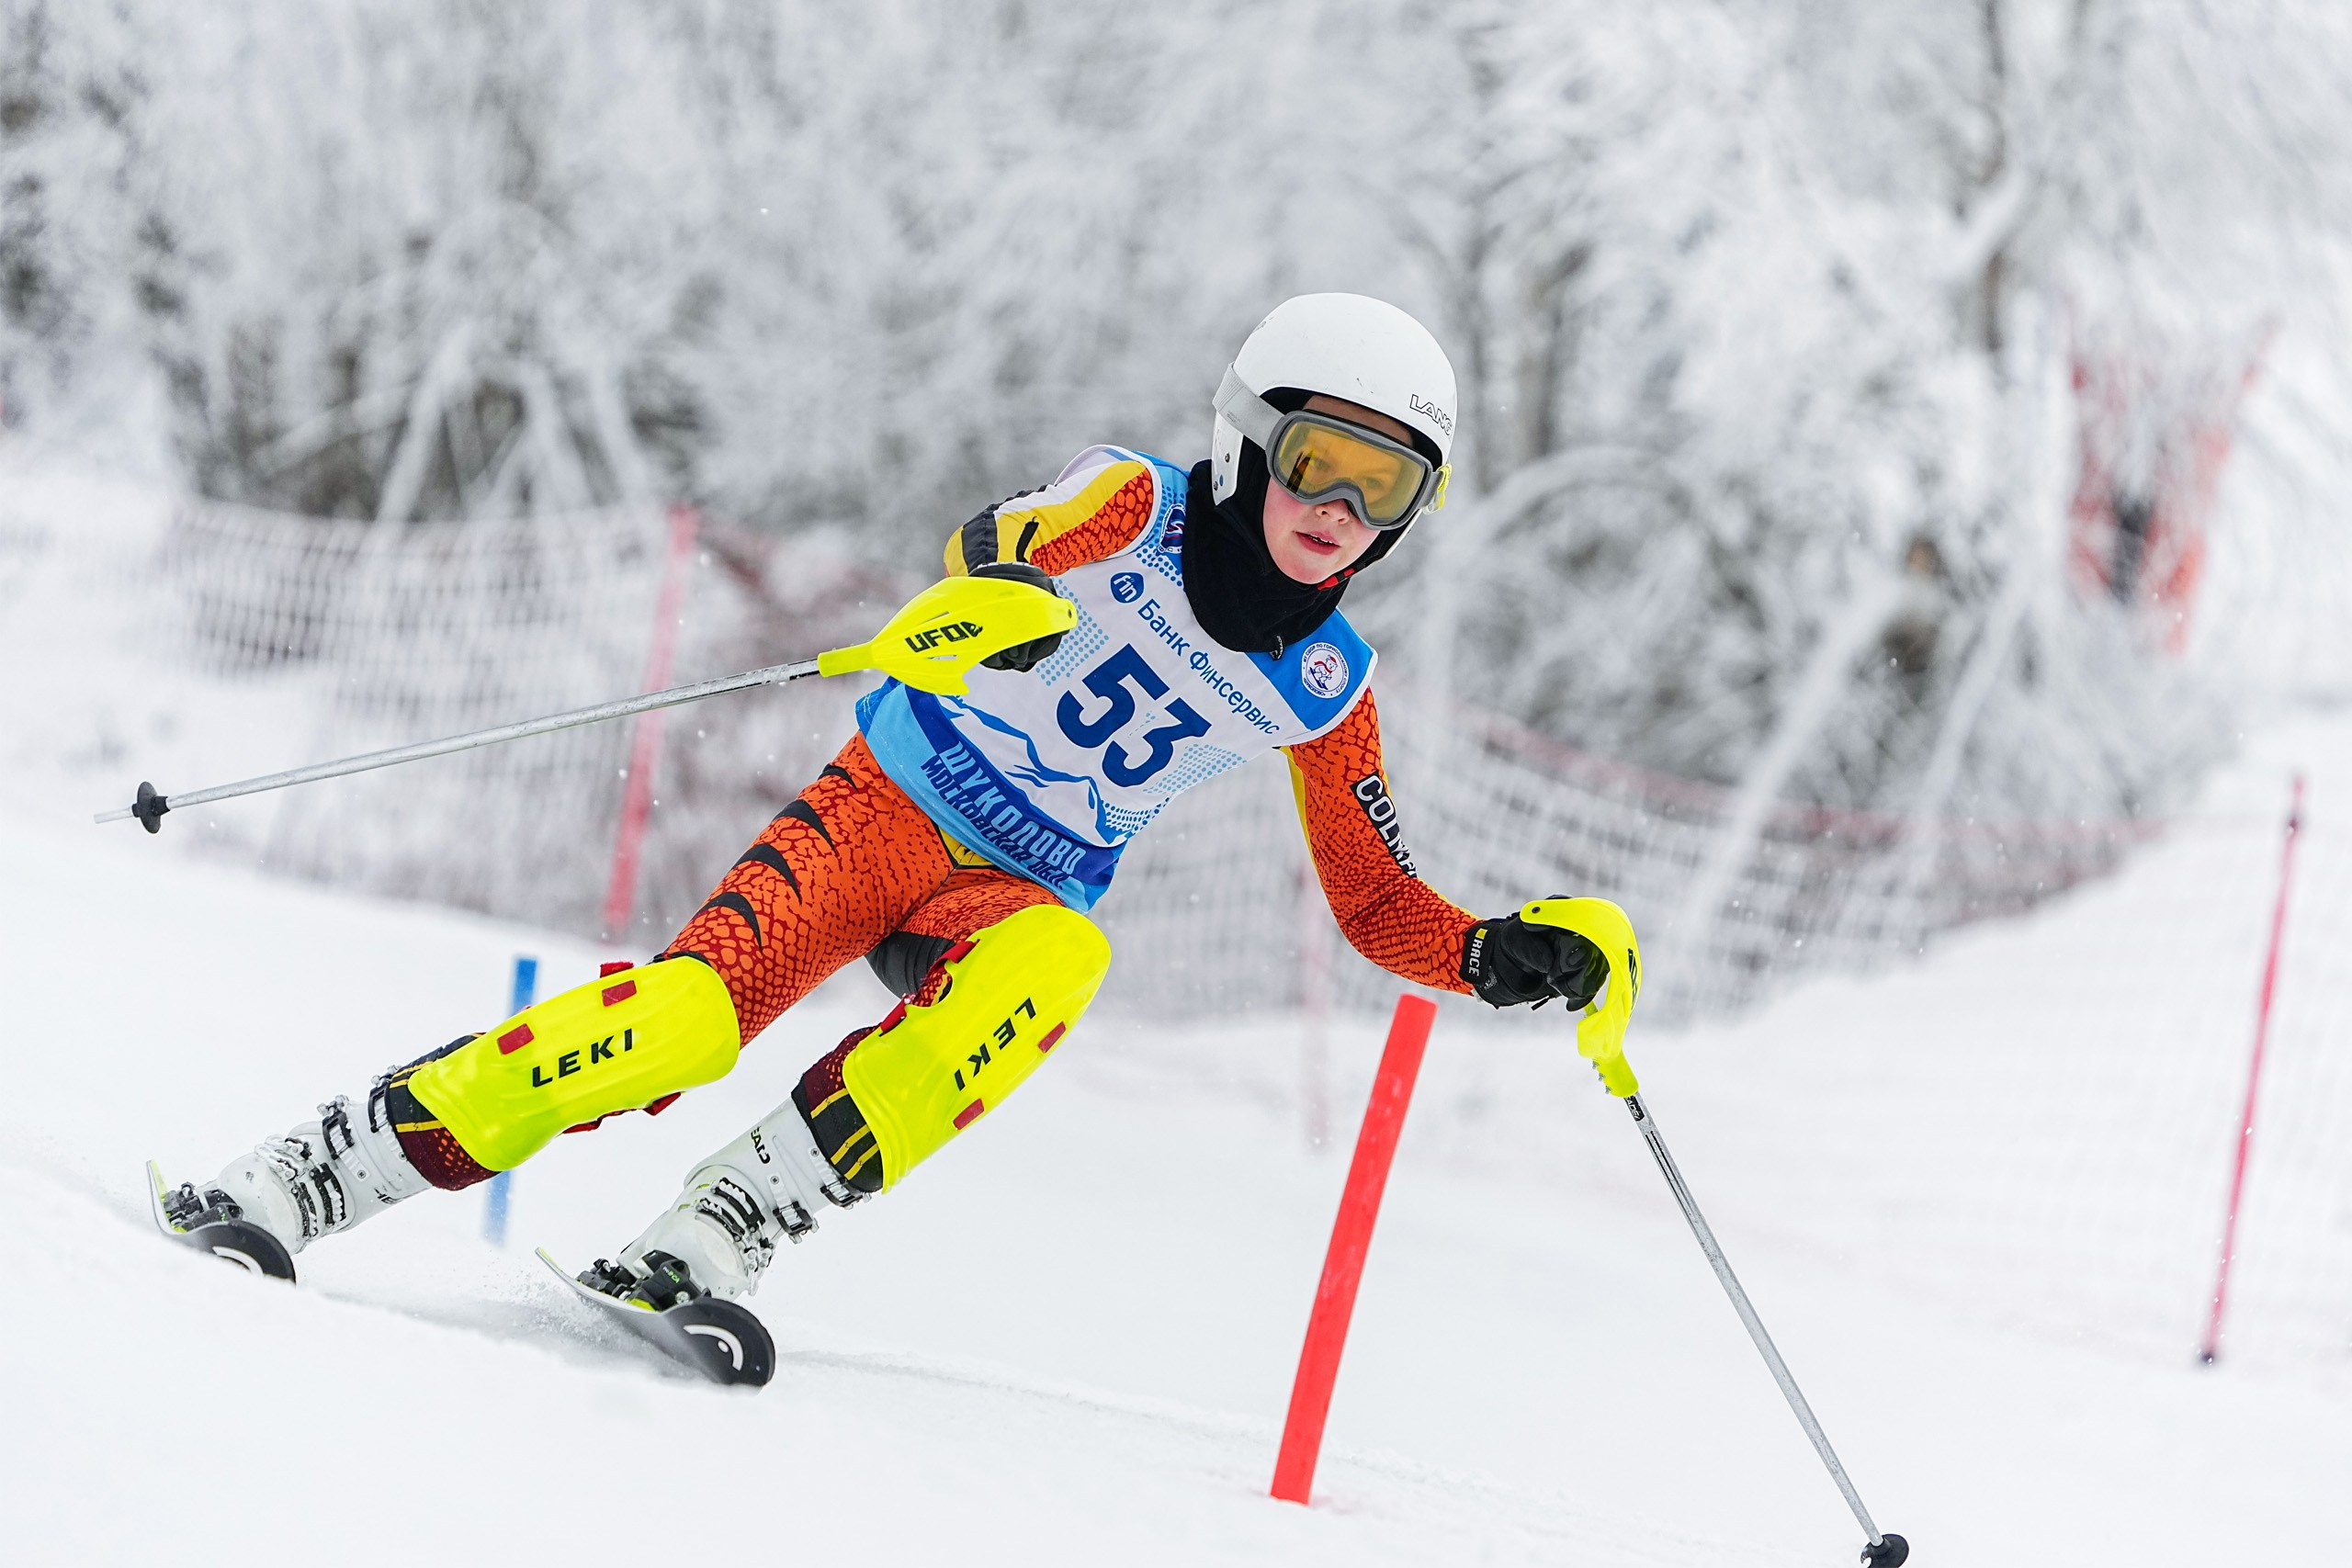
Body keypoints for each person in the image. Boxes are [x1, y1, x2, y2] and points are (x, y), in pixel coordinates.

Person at [155, 293, 1608, 1307]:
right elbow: (1010, 534)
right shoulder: (1138, 507)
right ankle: (315, 1170)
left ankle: (722, 1230)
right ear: (1247, 437)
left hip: (1013, 896)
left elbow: (1372, 900)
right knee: (679, 1023)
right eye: (1320, 464)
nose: (1341, 513)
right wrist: (1006, 593)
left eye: (1388, 488)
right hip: (889, 813)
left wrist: (1488, 952)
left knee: (1064, 961)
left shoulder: (1326, 685)